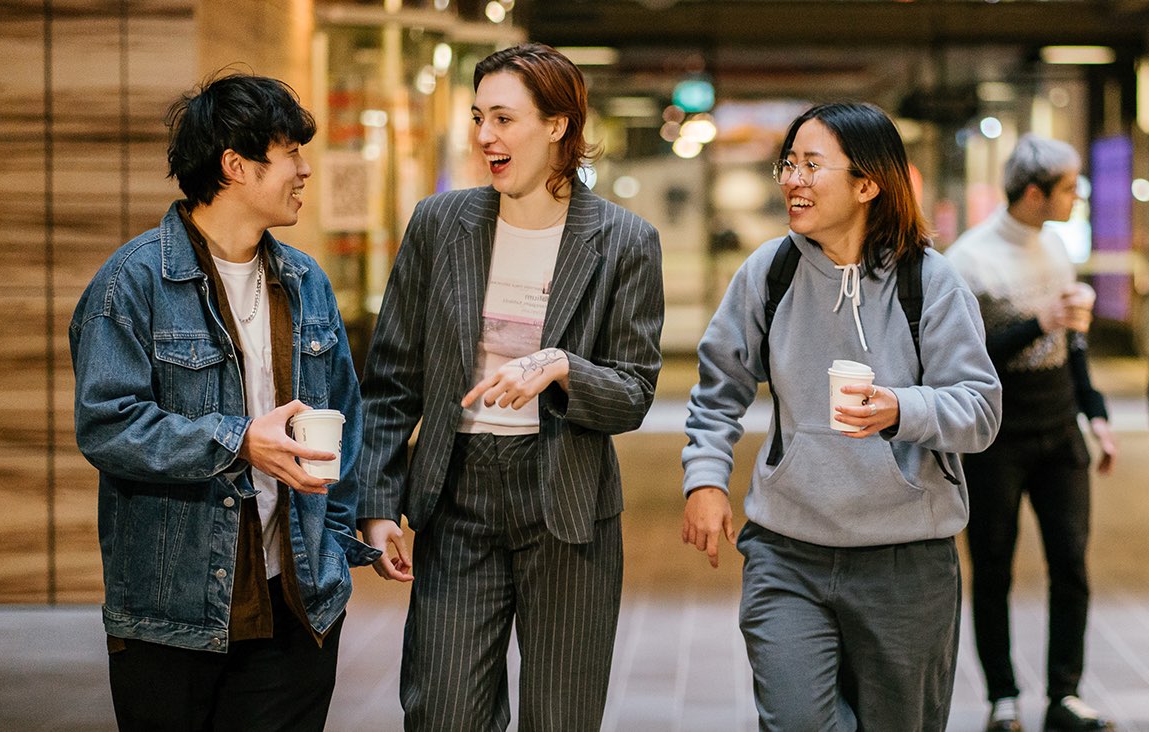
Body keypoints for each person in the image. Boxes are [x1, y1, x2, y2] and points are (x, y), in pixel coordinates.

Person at [357, 43, 664, 731]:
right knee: (441, 710)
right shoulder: (441, 225)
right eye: (478, 118)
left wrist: (563, 368)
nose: (485, 137)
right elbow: (390, 380)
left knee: (561, 715)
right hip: (457, 491)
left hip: (566, 500)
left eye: (504, 118)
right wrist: (378, 504)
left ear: (558, 125)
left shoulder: (623, 241)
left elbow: (635, 391)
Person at [69, 72, 379, 731]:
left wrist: (352, 530)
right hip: (172, 615)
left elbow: (348, 419)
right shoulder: (133, 283)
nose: (305, 169)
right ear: (235, 165)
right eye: (291, 152)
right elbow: (108, 426)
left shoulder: (305, 281)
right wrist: (237, 440)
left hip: (299, 602)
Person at [681, 101, 1002, 729]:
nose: (792, 179)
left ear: (866, 183)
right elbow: (719, 388)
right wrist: (705, 477)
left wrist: (900, 408)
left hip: (906, 560)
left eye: (811, 165)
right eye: (788, 163)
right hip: (786, 549)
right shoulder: (769, 273)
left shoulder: (930, 283)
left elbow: (981, 410)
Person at [947, 133, 1119, 732]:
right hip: (997, 433)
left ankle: (1064, 696)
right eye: (1070, 187)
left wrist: (1095, 412)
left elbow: (1070, 341)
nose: (1079, 196)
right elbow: (963, 357)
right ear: (1036, 192)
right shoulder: (971, 258)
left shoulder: (1056, 246)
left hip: (1059, 426)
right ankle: (1003, 698)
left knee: (1071, 561)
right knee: (993, 567)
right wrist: (1036, 322)